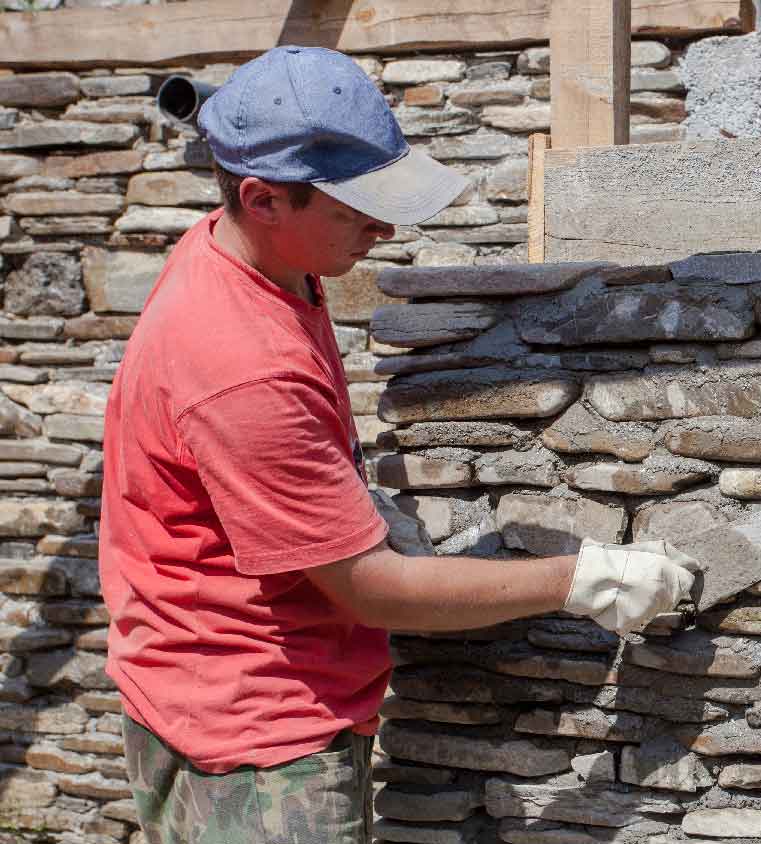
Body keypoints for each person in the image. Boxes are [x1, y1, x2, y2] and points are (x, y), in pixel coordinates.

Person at [98, 46, 699, 844]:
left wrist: (336, 504)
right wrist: (585, 579)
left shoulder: (248, 255)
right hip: (257, 745)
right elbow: (371, 590)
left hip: (200, 686)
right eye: (355, 208)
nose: (381, 227)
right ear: (262, 198)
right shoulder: (239, 365)